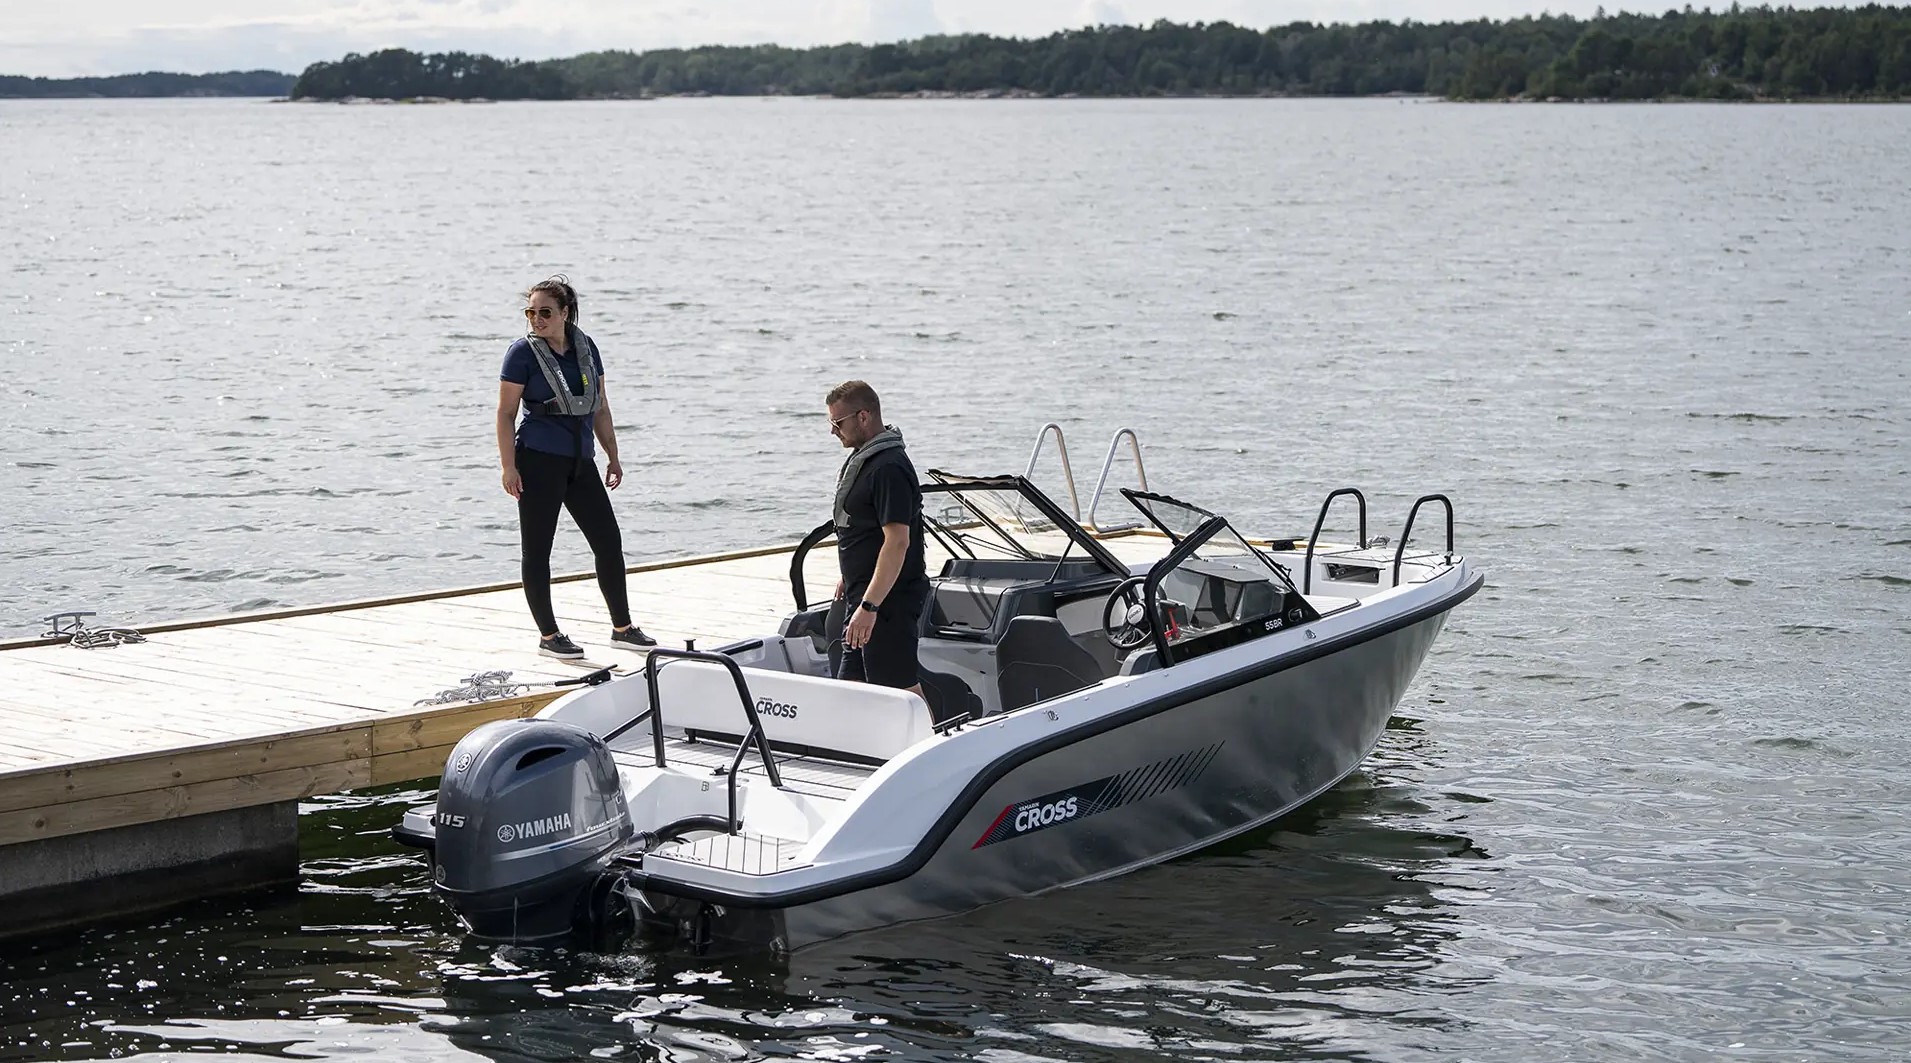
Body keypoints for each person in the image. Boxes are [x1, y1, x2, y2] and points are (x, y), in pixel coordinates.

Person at [495, 276, 656, 659]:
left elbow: (600, 407)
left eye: (545, 312)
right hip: (537, 461)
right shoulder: (521, 354)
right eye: (531, 313)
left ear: (565, 313)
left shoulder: (587, 348)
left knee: (608, 542)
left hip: (581, 462)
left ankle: (622, 628)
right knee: (538, 551)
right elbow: (505, 414)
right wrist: (508, 467)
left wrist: (612, 455)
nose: (537, 319)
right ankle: (549, 636)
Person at [825, 380, 928, 697]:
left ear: (863, 416)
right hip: (863, 595)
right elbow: (863, 527)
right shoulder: (865, 461)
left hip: (888, 602)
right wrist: (850, 576)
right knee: (853, 687)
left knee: (901, 691)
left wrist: (870, 607)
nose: (833, 431)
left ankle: (934, 730)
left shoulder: (888, 468)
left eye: (838, 423)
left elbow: (897, 541)